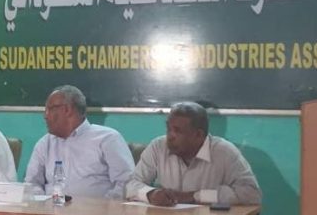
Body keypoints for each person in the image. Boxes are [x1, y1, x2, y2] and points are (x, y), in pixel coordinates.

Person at [126, 101, 262, 206]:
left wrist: (196, 196)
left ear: (198, 135)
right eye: (168, 128)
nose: (170, 136)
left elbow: (251, 194)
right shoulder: (158, 147)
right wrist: (151, 194)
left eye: (177, 131)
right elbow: (131, 184)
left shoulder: (224, 152)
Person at [25, 85, 134, 199]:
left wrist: (104, 206)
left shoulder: (107, 139)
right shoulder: (44, 143)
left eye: (50, 109)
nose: (45, 116)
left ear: (67, 110)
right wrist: (41, 202)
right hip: (52, 208)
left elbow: (126, 183)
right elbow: (32, 183)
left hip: (96, 209)